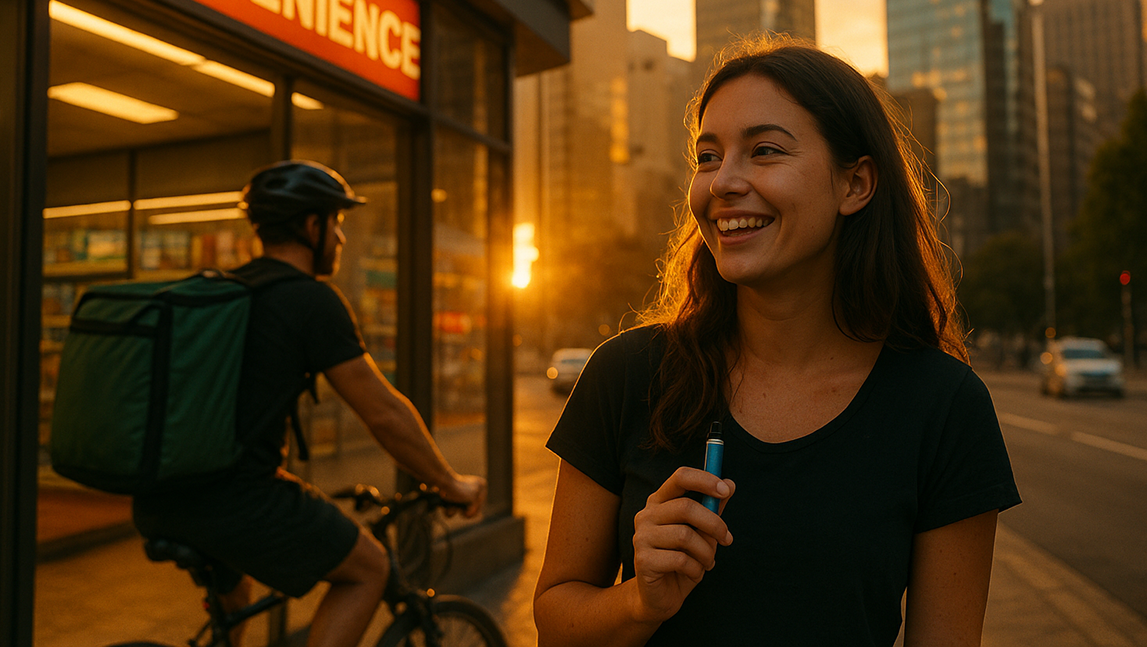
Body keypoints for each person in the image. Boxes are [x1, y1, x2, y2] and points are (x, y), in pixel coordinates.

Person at [533, 37, 1020, 646]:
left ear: (856, 184)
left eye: (764, 151)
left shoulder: (944, 407)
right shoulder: (625, 375)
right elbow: (554, 621)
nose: (723, 183)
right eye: (707, 157)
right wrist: (641, 600)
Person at [133, 159, 486, 647]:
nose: (340, 238)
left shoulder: (226, 290)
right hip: (237, 500)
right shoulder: (309, 301)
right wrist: (449, 481)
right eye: (336, 222)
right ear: (311, 226)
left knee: (235, 602)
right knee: (370, 568)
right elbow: (382, 411)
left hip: (165, 496)